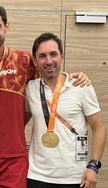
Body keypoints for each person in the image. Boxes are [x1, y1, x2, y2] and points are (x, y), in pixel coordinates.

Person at [0, 3, 90, 188]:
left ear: (6, 27)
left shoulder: (25, 61)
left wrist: (75, 76)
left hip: (14, 156)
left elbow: (51, 75)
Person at [26, 32, 106, 188]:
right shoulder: (30, 88)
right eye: (42, 56)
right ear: (35, 61)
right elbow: (17, 122)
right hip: (37, 176)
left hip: (75, 177)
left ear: (61, 56)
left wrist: (93, 166)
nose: (49, 61)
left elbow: (99, 128)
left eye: (53, 54)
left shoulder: (81, 86)